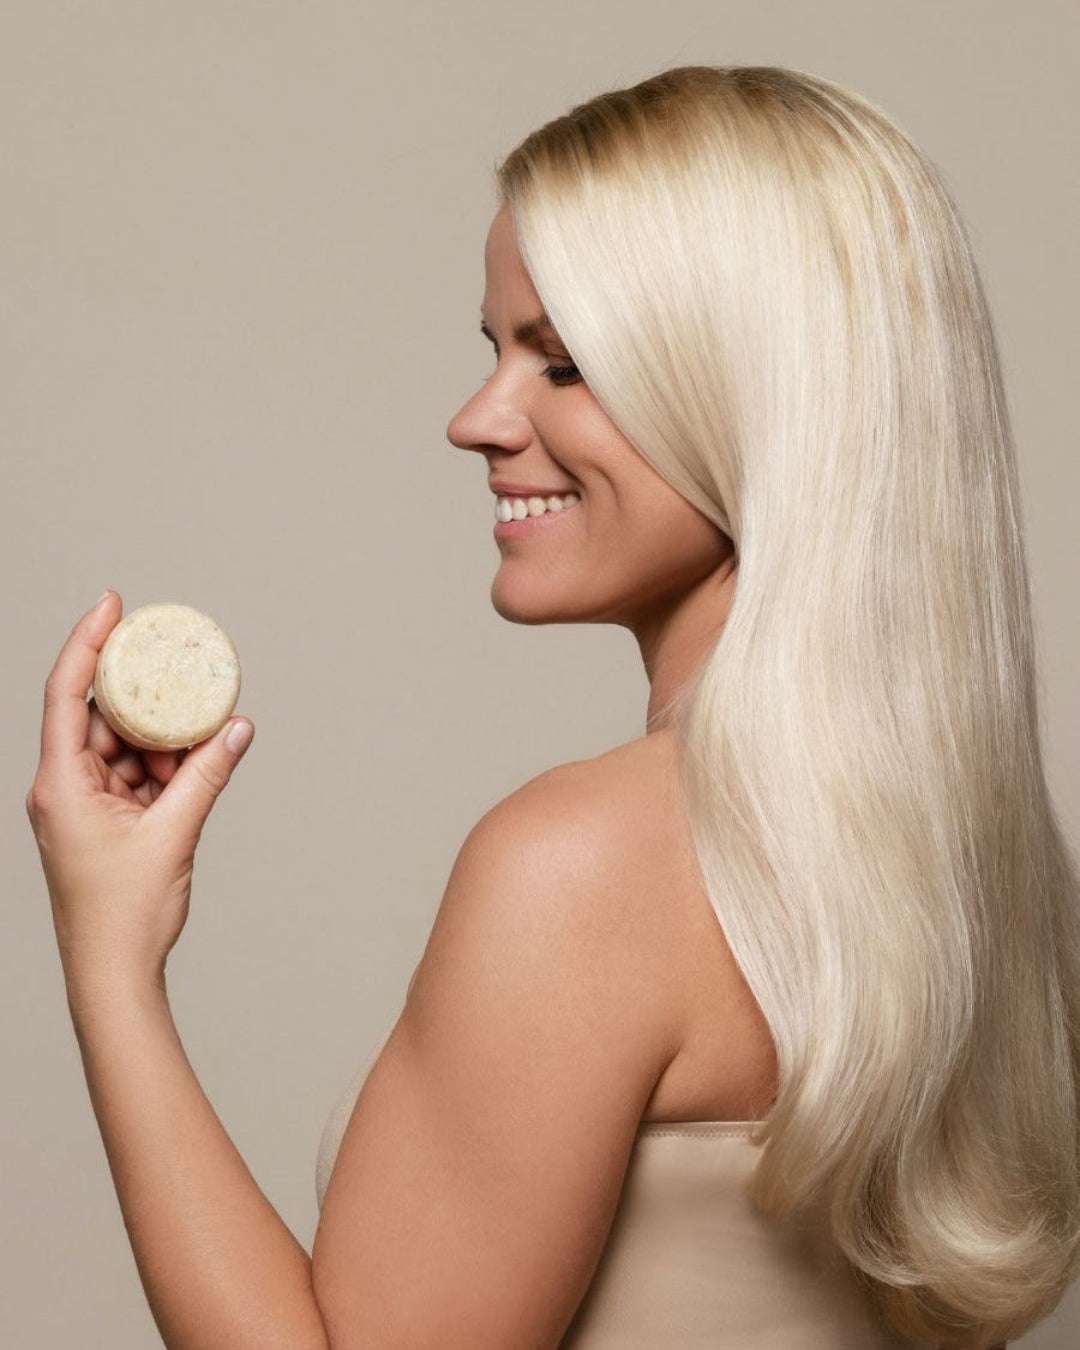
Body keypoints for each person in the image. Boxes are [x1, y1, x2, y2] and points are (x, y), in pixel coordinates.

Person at [25, 64, 1079, 1349]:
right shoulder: (980, 873)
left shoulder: (583, 867)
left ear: (754, 397)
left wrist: (108, 960)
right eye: (496, 349)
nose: (478, 421)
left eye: (565, 364)